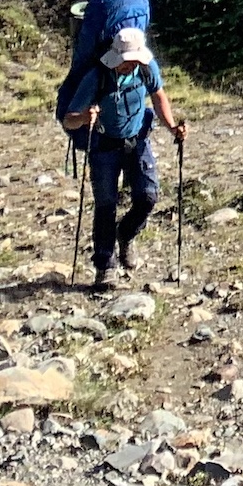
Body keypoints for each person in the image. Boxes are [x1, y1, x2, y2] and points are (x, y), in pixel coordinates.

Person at [59, 18, 186, 289]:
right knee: (105, 205)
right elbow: (68, 119)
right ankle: (105, 267)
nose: (131, 64)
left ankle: (126, 234)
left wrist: (172, 127)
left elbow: (158, 96)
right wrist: (84, 117)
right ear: (114, 57)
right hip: (104, 146)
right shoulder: (97, 76)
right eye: (127, 60)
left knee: (148, 196)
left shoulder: (146, 69)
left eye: (135, 59)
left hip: (137, 140)